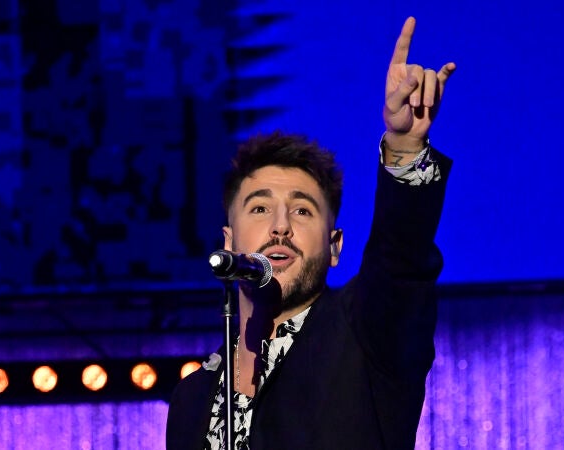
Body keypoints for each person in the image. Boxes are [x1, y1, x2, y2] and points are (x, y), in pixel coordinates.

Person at [166, 16, 455, 449]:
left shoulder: (364, 335)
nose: (280, 226)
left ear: (334, 246)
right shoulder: (192, 397)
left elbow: (401, 257)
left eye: (302, 211)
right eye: (260, 208)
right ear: (228, 242)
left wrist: (405, 147)